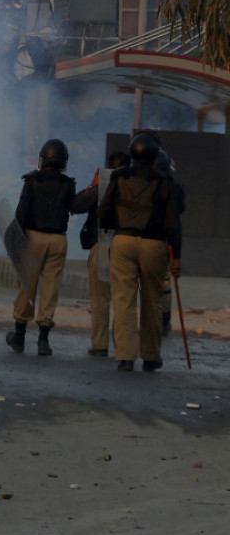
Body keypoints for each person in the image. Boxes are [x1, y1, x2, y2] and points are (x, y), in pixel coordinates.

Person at [98, 132, 182, 373]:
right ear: (156, 154)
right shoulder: (163, 181)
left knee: (124, 300)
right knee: (153, 301)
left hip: (123, 240)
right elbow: (172, 222)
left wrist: (114, 226)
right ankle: (150, 356)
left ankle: (125, 356)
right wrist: (176, 255)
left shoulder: (119, 176)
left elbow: (103, 210)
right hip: (153, 243)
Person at [5, 138, 77, 357]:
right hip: (58, 240)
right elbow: (74, 207)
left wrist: (16, 244)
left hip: (33, 239)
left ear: (43, 159)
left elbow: (21, 214)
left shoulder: (32, 181)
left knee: (27, 286)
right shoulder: (67, 184)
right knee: (50, 288)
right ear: (63, 161)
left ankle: (19, 335)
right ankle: (43, 340)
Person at [70, 150, 129, 358]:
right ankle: (124, 347)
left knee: (100, 299)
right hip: (128, 247)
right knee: (124, 301)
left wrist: (93, 185)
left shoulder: (103, 185)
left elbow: (77, 205)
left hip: (102, 247)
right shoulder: (137, 185)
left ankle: (99, 344)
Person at [154, 149, 186, 336]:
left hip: (143, 238)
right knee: (164, 283)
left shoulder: (141, 183)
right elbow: (177, 216)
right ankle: (163, 321)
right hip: (161, 241)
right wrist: (177, 254)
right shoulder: (173, 188)